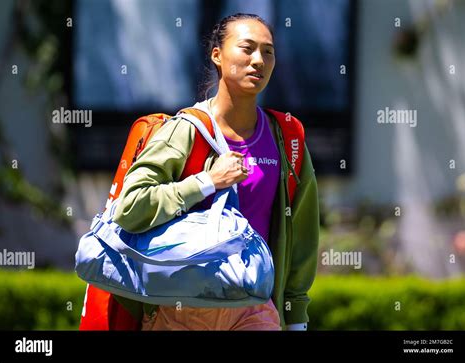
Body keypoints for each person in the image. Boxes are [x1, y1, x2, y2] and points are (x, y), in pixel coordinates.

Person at [112, 13, 319, 331]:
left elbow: (303, 239)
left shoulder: (287, 138)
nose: (258, 60)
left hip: (255, 307)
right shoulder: (185, 130)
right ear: (217, 55)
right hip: (181, 307)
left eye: (268, 51)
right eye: (247, 48)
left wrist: (296, 321)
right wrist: (207, 181)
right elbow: (130, 207)